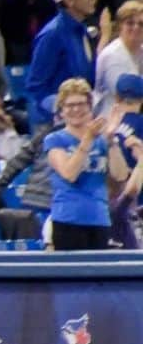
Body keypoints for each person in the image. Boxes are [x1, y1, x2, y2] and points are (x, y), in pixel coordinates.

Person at [25, 0, 104, 132]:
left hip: (79, 118)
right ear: (69, 0)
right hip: (52, 125)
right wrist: (62, 109)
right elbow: (36, 86)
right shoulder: (52, 34)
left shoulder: (82, 31)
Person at [44, 78, 112, 251]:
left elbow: (119, 176)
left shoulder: (102, 141)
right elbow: (69, 173)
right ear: (61, 110)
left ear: (90, 106)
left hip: (99, 219)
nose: (76, 109)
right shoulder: (55, 140)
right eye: (69, 105)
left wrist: (112, 142)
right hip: (68, 220)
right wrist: (87, 139)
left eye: (81, 104)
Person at [95, 0, 143, 117]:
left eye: (141, 24)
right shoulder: (112, 55)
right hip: (111, 119)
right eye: (130, 23)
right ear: (119, 26)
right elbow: (128, 92)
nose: (136, 27)